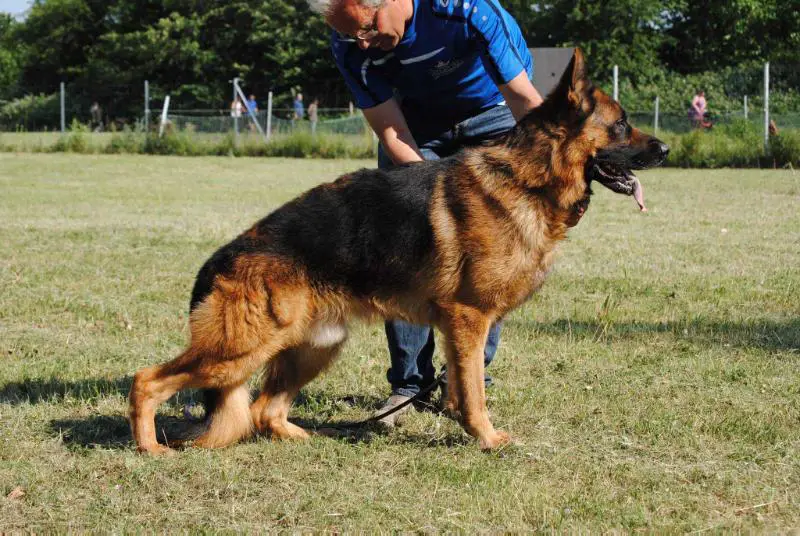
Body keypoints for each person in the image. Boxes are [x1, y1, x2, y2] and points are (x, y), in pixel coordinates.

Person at [309, 0, 544, 425]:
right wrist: (435, 196)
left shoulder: (467, 9)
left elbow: (524, 100)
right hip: (414, 128)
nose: (362, 41)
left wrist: (551, 175)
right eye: (350, 35)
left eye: (367, 26)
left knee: (489, 258)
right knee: (406, 251)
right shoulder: (348, 44)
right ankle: (408, 387)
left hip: (493, 113)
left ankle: (466, 387)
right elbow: (390, 129)